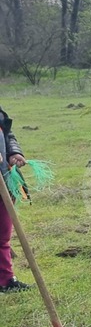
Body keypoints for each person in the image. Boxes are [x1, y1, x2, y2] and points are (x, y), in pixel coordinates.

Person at [0, 105, 30, 293]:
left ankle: (6, 279)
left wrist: (13, 153)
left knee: (3, 235)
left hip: (5, 181)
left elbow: (7, 134)